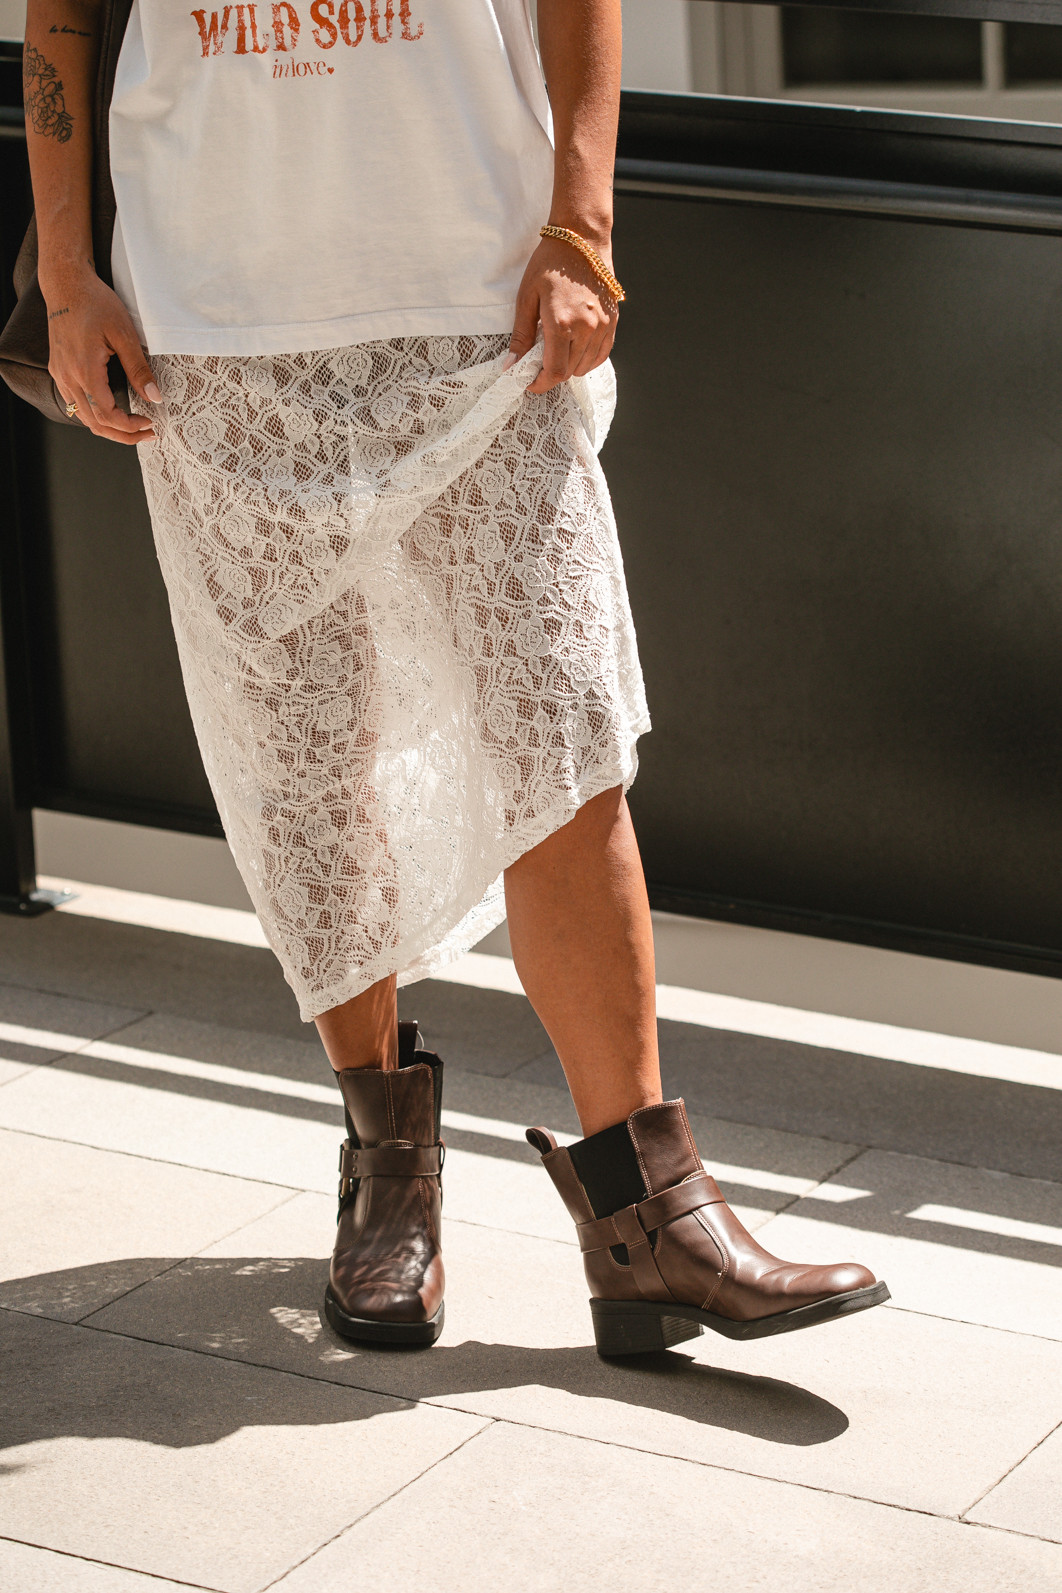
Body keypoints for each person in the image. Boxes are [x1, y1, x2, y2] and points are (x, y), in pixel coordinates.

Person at [23, 0, 887, 1353]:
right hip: (213, 315)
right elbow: (62, 16)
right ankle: (388, 1174)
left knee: (561, 736)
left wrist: (580, 226)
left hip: (477, 296)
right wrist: (71, 280)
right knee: (307, 761)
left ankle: (650, 1217)